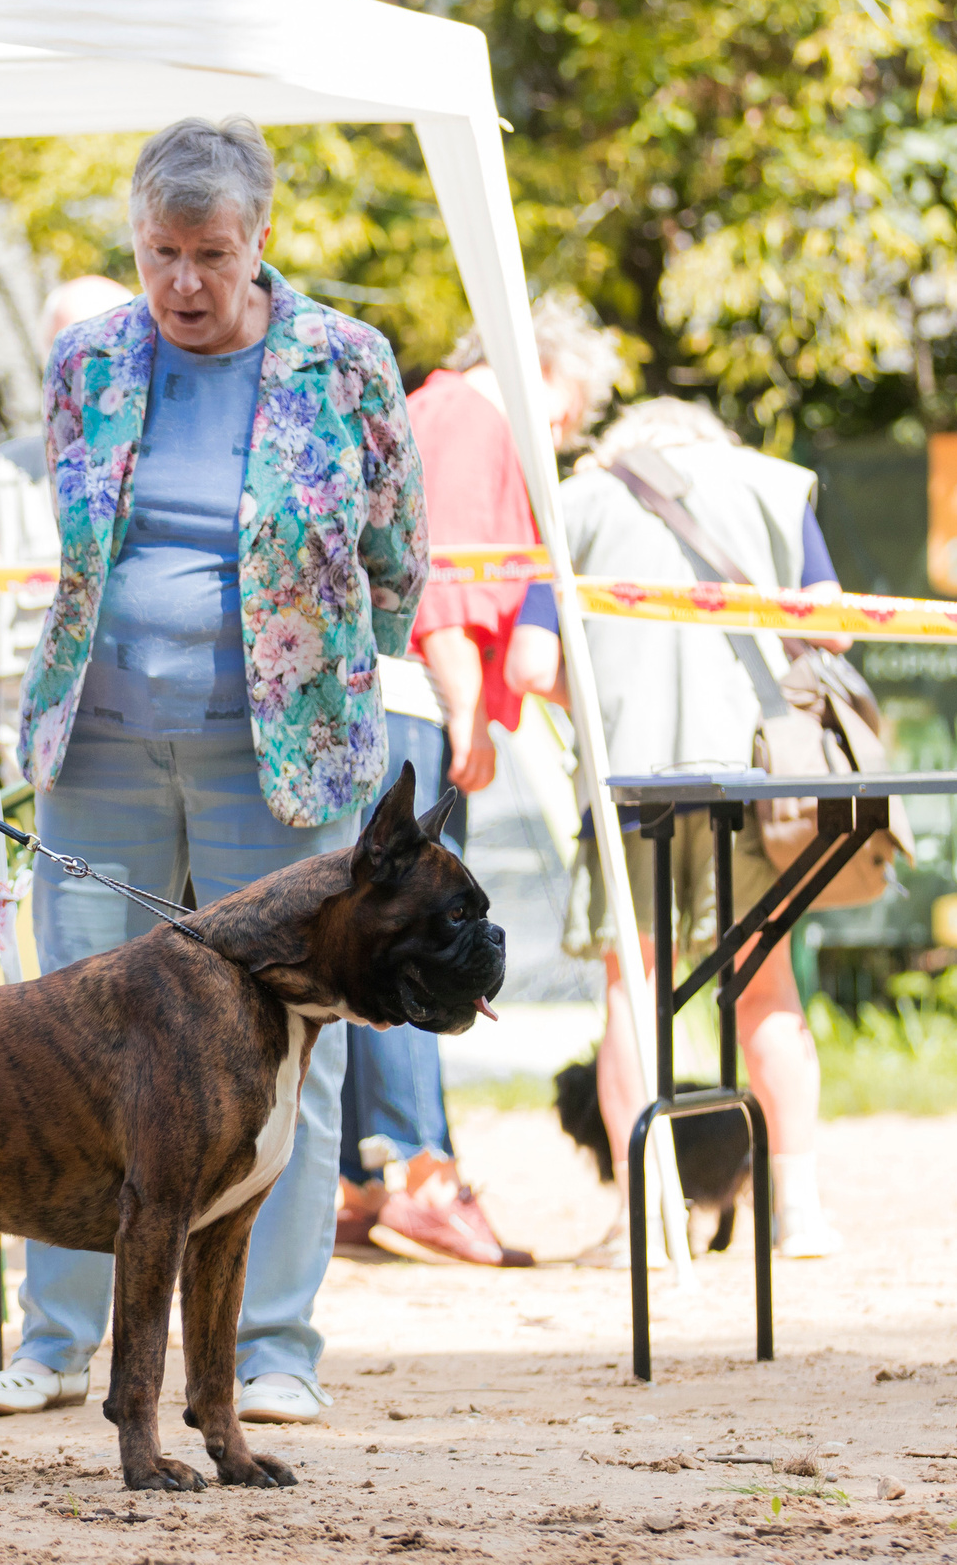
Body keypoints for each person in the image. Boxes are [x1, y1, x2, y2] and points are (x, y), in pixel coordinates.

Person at [0, 116, 426, 1426]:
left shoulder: (345, 362)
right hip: (98, 745)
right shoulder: (87, 359)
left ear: (260, 239)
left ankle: (274, 1350)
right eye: (159, 252)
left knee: (284, 1051)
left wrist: (322, 683)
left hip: (280, 762)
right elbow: (82, 539)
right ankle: (57, 1340)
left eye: (209, 254)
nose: (182, 282)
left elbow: (397, 556)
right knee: (62, 1039)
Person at [504, 396, 847, 1259]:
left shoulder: (575, 502)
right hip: (756, 781)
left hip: (629, 786)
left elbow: (532, 663)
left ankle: (644, 1218)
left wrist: (611, 701)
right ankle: (797, 1209)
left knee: (634, 993)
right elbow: (834, 628)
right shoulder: (775, 486)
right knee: (764, 988)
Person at [335, 295, 628, 1266]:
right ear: (538, 368)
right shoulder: (468, 417)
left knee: (367, 926)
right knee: (412, 935)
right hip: (413, 697)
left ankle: (366, 1174)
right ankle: (416, 1167)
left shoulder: (431, 410)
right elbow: (447, 584)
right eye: (567, 411)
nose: (561, 434)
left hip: (384, 696)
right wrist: (468, 710)